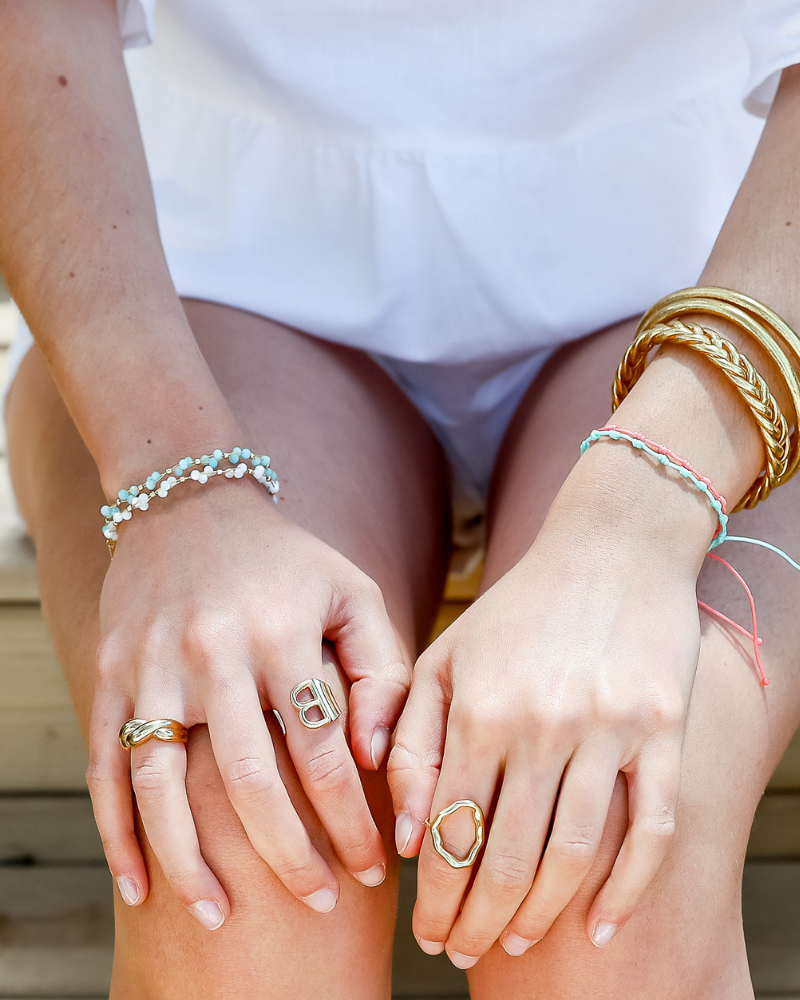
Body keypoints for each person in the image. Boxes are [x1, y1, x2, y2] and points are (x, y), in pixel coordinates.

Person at [2, 1, 800, 997]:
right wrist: (182, 495)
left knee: (598, 862)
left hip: (715, 261)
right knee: (238, 832)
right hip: (204, 262)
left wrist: (627, 534)